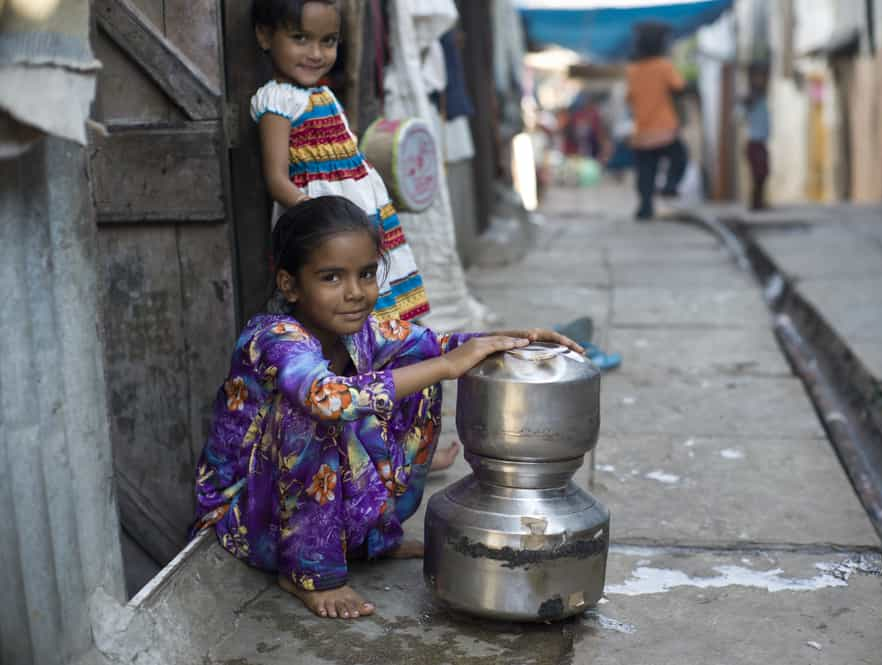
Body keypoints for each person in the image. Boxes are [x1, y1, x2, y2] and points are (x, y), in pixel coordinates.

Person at [192, 196, 581, 620]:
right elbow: (326, 397)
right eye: (331, 277)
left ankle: (370, 535)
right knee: (316, 409)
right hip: (247, 516)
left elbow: (443, 346)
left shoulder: (365, 332)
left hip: (303, 505)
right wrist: (446, 365)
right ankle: (309, 570)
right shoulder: (274, 338)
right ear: (289, 285)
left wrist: (518, 339)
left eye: (366, 274)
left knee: (420, 368)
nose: (355, 292)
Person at [251, 0, 429, 322]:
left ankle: (380, 352)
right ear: (265, 36)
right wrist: (321, 216)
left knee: (366, 286)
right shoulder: (277, 100)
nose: (316, 53)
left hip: (358, 213)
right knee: (334, 293)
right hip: (323, 221)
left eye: (328, 41)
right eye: (300, 38)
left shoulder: (324, 94)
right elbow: (277, 179)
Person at [626, 23, 689, 220]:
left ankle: (645, 206)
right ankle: (670, 185)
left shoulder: (633, 70)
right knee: (679, 158)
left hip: (642, 132)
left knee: (646, 171)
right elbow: (680, 87)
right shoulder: (664, 66)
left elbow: (630, 98)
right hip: (665, 129)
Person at [743, 63, 770, 211]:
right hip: (754, 141)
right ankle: (755, 203)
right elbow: (738, 114)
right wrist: (746, 104)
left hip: (761, 141)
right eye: (758, 77)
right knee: (758, 172)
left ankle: (759, 201)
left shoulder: (761, 96)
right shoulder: (751, 97)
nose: (761, 80)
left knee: (763, 172)